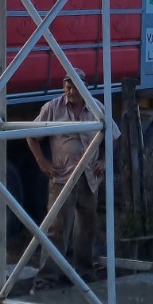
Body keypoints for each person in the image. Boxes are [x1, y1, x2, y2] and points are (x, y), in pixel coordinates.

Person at [28, 74, 116, 280]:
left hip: (89, 178)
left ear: (85, 88)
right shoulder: (52, 108)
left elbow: (113, 136)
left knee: (87, 225)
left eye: (75, 88)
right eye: (68, 87)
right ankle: (47, 277)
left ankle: (84, 272)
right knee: (57, 227)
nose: (71, 92)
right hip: (63, 177)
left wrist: (104, 160)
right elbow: (31, 136)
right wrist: (42, 162)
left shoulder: (97, 108)